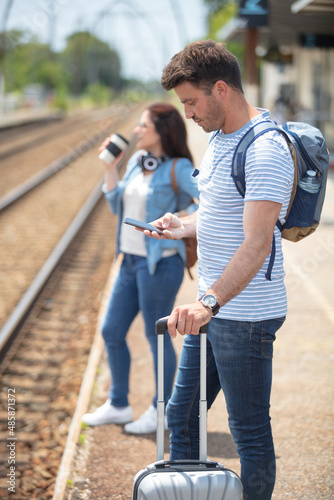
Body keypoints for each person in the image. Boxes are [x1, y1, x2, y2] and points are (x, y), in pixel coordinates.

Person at [145, 40, 294, 499]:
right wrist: (182, 226)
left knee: (247, 431)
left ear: (222, 89)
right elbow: (220, 217)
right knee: (182, 414)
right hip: (213, 307)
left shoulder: (265, 149)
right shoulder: (220, 139)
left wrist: (208, 302)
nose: (187, 113)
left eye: (191, 101)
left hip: (243, 315)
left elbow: (255, 242)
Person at [82, 102, 199, 435]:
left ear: (162, 130)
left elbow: (209, 199)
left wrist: (182, 221)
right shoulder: (135, 161)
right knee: (111, 331)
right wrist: (110, 168)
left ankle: (161, 412)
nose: (136, 130)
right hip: (130, 262)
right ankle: (119, 404)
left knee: (156, 335)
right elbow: (116, 203)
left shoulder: (179, 167)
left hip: (160, 264)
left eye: (143, 125)